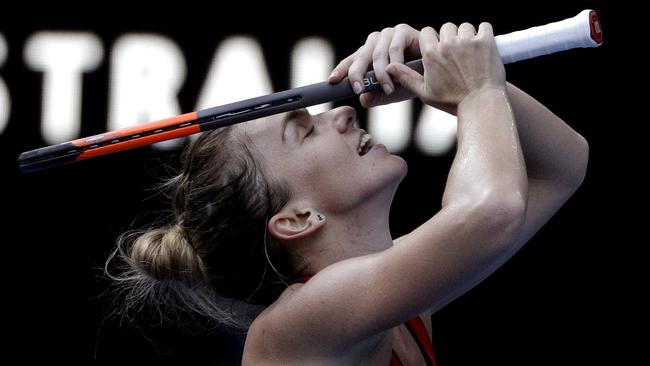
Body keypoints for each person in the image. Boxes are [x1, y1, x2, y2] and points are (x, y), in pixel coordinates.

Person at [107, 21, 589, 365]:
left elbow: (561, 165)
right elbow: (492, 211)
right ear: (297, 218)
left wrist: (433, 71)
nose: (342, 114)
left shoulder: (398, 309)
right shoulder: (299, 322)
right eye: (304, 130)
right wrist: (476, 91)